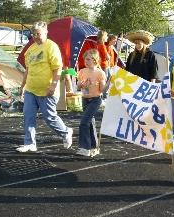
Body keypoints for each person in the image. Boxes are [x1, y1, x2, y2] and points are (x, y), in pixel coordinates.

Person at [16, 21, 73, 153]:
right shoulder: (30, 49)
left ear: (46, 32)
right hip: (31, 89)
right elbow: (27, 70)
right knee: (28, 116)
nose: (36, 36)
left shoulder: (51, 47)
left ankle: (65, 132)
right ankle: (30, 143)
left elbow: (57, 68)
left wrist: (53, 85)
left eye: (38, 33)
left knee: (50, 118)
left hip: (47, 90)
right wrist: (22, 86)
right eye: (34, 34)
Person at [76, 49, 106, 157]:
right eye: (85, 59)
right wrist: (81, 84)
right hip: (85, 99)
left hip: (95, 100)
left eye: (88, 59)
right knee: (90, 123)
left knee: (84, 123)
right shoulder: (82, 71)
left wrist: (109, 83)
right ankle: (94, 147)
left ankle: (85, 148)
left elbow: (102, 90)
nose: (86, 61)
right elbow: (78, 85)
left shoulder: (100, 73)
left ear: (95, 60)